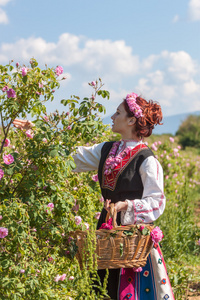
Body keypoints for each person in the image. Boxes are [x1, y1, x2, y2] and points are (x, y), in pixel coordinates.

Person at [73, 92, 175, 300]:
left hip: (133, 238)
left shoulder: (146, 159)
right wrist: (41, 138)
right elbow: (73, 157)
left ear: (131, 120)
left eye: (117, 112)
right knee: (102, 287)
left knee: (130, 289)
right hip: (107, 230)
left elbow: (156, 202)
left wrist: (125, 206)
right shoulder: (107, 150)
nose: (112, 117)